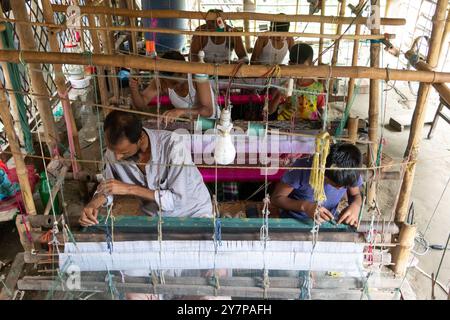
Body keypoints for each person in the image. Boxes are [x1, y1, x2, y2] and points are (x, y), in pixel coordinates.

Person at [79, 110, 212, 227]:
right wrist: (93, 204)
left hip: (193, 213)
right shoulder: (113, 153)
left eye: (124, 153)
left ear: (140, 139)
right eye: (113, 150)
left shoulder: (173, 146)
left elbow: (177, 201)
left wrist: (129, 189)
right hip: (156, 220)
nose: (117, 157)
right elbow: (108, 187)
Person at [271, 143, 363, 226]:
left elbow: (355, 195)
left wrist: (356, 205)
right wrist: (306, 207)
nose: (340, 189)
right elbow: (276, 199)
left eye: (345, 186)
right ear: (324, 174)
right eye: (336, 185)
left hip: (327, 221)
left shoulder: (351, 172)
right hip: (294, 221)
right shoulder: (301, 169)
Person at [129, 51, 218, 125]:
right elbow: (141, 104)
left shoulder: (197, 76)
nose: (172, 86)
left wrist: (180, 112)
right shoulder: (162, 81)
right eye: (169, 83)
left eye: (174, 83)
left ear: (184, 72)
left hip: (212, 124)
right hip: (190, 126)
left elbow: (208, 111)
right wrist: (134, 88)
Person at [268, 43, 326, 121]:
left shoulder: (318, 88)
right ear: (289, 65)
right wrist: (279, 95)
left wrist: (322, 120)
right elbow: (270, 111)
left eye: (302, 69)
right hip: (286, 125)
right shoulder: (284, 85)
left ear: (311, 65)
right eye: (295, 68)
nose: (299, 73)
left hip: (309, 128)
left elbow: (321, 109)